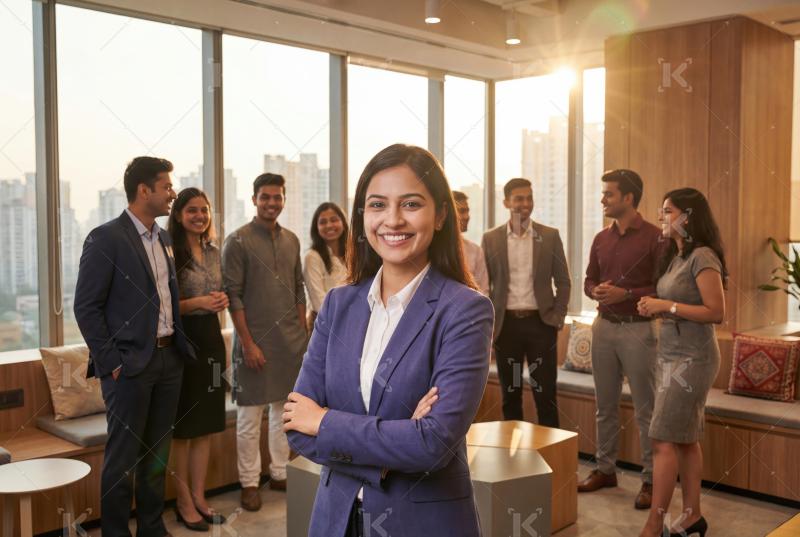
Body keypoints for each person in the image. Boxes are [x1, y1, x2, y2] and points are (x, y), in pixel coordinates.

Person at [282, 144, 494, 537]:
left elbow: (433, 444)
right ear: (363, 215)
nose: (392, 220)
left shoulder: (465, 310)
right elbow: (296, 426)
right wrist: (391, 449)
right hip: (336, 520)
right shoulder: (338, 304)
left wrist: (324, 420)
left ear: (441, 214)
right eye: (377, 205)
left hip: (422, 523)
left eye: (411, 204)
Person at [74, 156, 195, 537]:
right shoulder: (105, 237)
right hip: (128, 367)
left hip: (168, 360)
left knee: (157, 456)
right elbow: (86, 307)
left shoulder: (164, 237)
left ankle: (151, 528)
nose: (172, 193)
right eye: (166, 186)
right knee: (122, 459)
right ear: (144, 191)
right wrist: (111, 362)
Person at [637, 188, 726, 537]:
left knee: (661, 439)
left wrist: (665, 306)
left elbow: (716, 312)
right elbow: (676, 302)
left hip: (694, 359)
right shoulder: (676, 256)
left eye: (667, 211)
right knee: (685, 440)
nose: (661, 217)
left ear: (687, 217)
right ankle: (693, 517)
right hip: (671, 357)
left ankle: (655, 522)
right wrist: (654, 304)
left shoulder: (703, 256)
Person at [222, 173, 308, 512]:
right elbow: (234, 296)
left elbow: (298, 287)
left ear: (284, 199)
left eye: (277, 197)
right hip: (253, 345)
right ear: (255, 198)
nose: (272, 203)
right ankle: (248, 482)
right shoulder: (238, 241)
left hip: (290, 343)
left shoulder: (292, 240)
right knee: (248, 419)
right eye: (265, 197)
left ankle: (278, 472)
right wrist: (247, 343)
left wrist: (301, 332)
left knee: (282, 415)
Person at [578, 169, 663, 510]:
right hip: (603, 327)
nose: (603, 199)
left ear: (628, 198)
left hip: (639, 330)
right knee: (605, 406)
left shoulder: (657, 238)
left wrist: (625, 292)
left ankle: (651, 479)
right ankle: (605, 469)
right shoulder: (601, 238)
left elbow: (663, 288)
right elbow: (588, 280)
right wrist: (595, 291)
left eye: (609, 194)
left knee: (647, 410)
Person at [481, 177, 570, 428]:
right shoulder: (491, 239)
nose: (525, 203)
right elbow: (483, 286)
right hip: (506, 326)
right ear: (506, 202)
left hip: (541, 324)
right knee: (511, 395)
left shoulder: (550, 236)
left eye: (529, 198)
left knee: (546, 395)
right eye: (519, 198)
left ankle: (553, 459)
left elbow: (563, 281)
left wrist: (558, 316)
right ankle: (514, 462)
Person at [167, 188, 229, 530]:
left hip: (212, 341)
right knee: (184, 430)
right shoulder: (169, 253)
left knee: (205, 426)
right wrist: (199, 304)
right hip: (184, 343)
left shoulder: (214, 251)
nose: (199, 216)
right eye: (192, 210)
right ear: (178, 215)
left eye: (204, 211)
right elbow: (161, 306)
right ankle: (183, 501)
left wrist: (219, 300)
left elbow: (219, 293)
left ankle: (200, 497)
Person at [304, 202, 349, 332]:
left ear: (343, 222)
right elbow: (319, 301)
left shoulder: (353, 254)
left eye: (334, 220)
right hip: (326, 325)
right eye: (323, 222)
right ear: (316, 227)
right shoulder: (313, 257)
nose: (329, 225)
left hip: (352, 322)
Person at [452, 190, 489, 294]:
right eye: (462, 211)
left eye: (467, 211)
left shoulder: (475, 251)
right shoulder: (432, 249)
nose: (467, 216)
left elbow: (483, 291)